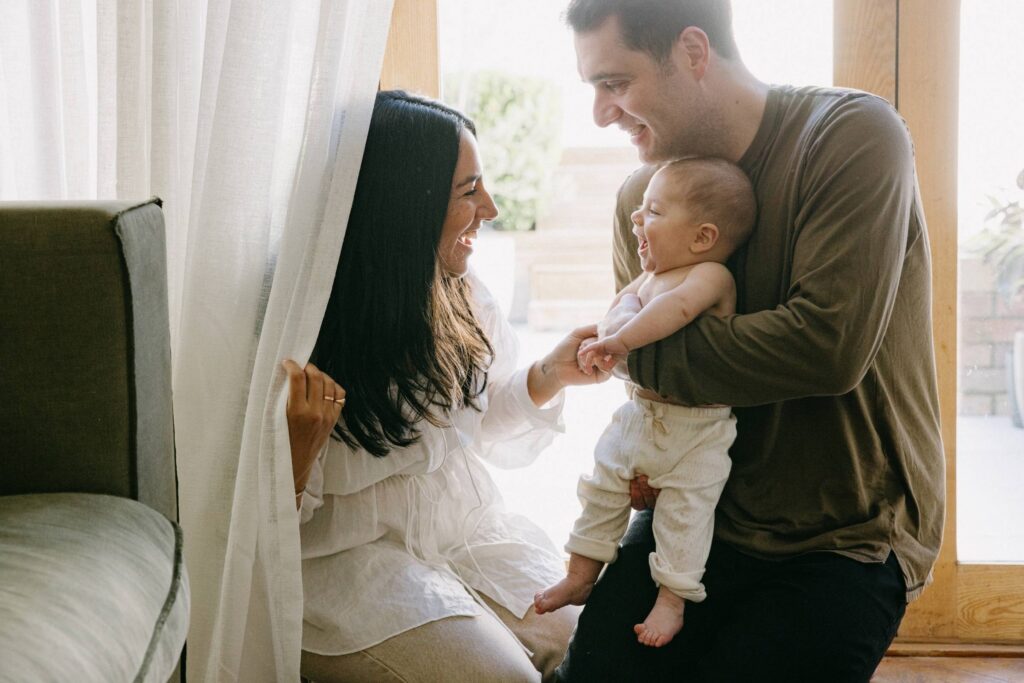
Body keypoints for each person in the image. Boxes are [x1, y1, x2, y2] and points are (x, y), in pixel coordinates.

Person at [556, 1, 945, 681]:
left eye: (616, 83)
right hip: (702, 510)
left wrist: (635, 352)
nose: (601, 113)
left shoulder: (851, 137)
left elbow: (826, 348)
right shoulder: (643, 200)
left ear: (693, 52)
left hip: (848, 533)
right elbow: (644, 375)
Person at [282, 90, 607, 683]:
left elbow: (471, 428)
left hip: (461, 530)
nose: (492, 208)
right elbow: (251, 528)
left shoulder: (463, 290)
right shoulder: (301, 327)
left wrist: (549, 375)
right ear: (407, 204)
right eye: (469, 191)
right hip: (345, 561)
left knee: (600, 645)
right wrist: (295, 454)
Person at [533, 157, 755, 649]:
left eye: (653, 211)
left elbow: (674, 311)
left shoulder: (710, 275)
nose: (637, 218)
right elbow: (617, 308)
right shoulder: (649, 277)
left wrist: (619, 341)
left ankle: (672, 598)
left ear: (702, 237)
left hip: (698, 430)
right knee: (601, 487)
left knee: (685, 516)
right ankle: (580, 574)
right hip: (639, 416)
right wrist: (619, 319)